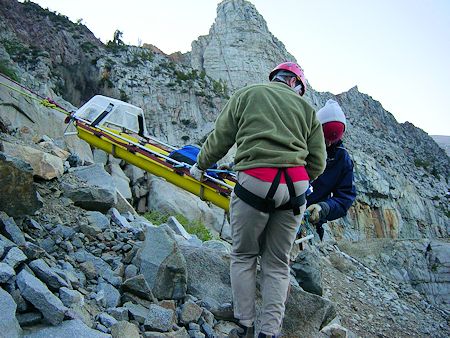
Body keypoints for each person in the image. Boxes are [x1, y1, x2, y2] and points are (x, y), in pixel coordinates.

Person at [190, 62, 326, 338]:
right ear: (295, 84)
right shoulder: (308, 111)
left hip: (255, 182)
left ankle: (245, 325)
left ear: (276, 78)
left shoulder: (247, 94)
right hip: (295, 191)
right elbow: (318, 162)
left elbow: (221, 138)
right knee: (277, 263)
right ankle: (269, 332)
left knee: (243, 255)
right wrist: (298, 181)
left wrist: (200, 165)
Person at [306, 99, 356, 240]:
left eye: (333, 139)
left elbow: (345, 198)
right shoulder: (300, 141)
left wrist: (324, 208)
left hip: (308, 221)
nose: (328, 144)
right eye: (325, 137)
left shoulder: (342, 159)